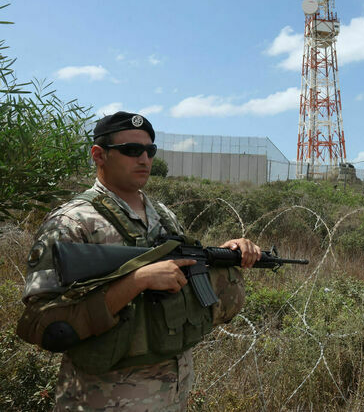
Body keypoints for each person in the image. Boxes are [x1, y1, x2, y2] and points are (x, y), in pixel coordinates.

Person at [16, 111, 260, 411]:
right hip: (100, 400)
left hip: (172, 394)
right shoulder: (73, 222)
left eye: (150, 150)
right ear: (99, 155)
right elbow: (41, 324)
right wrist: (137, 281)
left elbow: (181, 268)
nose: (144, 159)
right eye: (132, 150)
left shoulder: (163, 215)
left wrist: (224, 254)